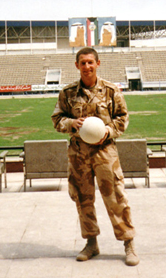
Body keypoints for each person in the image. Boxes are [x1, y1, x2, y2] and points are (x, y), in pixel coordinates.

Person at [51, 47, 139, 266]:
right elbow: (57, 119)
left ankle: (128, 243)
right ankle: (91, 243)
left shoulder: (110, 90)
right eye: (83, 63)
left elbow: (122, 118)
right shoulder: (68, 93)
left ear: (97, 64)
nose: (87, 66)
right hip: (78, 154)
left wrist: (108, 132)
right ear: (77, 65)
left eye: (91, 62)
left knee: (116, 198)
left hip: (105, 153)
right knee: (83, 198)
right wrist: (71, 123)